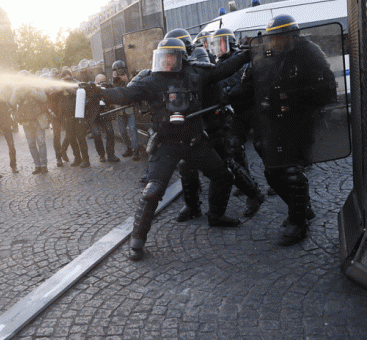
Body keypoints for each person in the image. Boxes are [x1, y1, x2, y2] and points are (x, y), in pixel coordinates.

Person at [85, 37, 251, 261]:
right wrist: (99, 91)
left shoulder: (197, 73)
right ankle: (137, 240)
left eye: (172, 56)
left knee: (223, 176)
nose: (168, 61)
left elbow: (223, 69)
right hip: (167, 145)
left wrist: (247, 54)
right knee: (152, 191)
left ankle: (216, 215)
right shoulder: (152, 81)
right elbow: (125, 94)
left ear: (181, 57)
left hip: (195, 141)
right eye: (164, 57)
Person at [224, 14, 332, 245]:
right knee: (272, 173)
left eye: (279, 38)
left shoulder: (309, 52)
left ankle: (298, 221)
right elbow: (248, 86)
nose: (274, 43)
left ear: (292, 36)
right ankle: (302, 208)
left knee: (292, 171)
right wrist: (224, 97)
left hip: (300, 120)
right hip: (274, 121)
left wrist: (294, 96)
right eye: (272, 39)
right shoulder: (266, 57)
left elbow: (327, 87)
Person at [176, 27, 265, 223]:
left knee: (228, 162)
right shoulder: (175, 72)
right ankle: (192, 206)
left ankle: (253, 194)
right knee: (187, 164)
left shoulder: (198, 58)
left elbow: (222, 73)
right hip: (199, 123)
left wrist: (245, 56)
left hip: (215, 121)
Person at [10, 70, 49, 174]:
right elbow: (12, 102)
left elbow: (44, 98)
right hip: (26, 121)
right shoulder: (18, 89)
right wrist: (17, 91)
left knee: (41, 143)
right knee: (31, 144)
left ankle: (44, 165)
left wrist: (33, 92)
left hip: (38, 119)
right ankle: (37, 165)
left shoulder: (36, 86)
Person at [111, 60, 140, 161]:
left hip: (129, 109)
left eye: (121, 70)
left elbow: (131, 89)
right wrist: (115, 79)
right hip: (119, 109)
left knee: (132, 129)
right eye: (116, 71)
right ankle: (129, 148)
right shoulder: (114, 81)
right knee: (122, 132)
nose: (119, 72)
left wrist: (126, 80)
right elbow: (113, 91)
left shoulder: (129, 78)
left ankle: (136, 150)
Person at [92, 74, 119, 162]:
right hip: (94, 116)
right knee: (97, 135)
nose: (102, 84)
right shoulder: (91, 88)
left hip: (105, 113)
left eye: (104, 81)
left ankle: (111, 155)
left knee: (110, 132)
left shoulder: (107, 87)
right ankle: (101, 155)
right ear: (96, 81)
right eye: (101, 82)